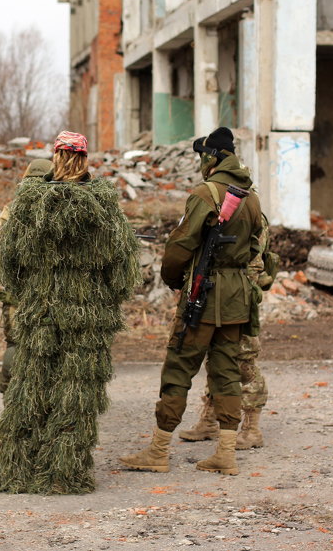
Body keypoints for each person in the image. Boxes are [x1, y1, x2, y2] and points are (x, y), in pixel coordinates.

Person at [0, 131, 141, 494]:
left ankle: (14, 472)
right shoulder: (104, 206)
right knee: (78, 393)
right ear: (86, 159)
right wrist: (104, 303)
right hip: (89, 318)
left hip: (40, 313)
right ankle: (63, 475)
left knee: (30, 388)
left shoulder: (29, 203)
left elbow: (9, 266)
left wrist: (31, 297)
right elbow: (124, 270)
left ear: (55, 157)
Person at [120, 127, 262, 476]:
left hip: (205, 293)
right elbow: (259, 246)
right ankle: (225, 454)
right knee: (227, 372)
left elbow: (179, 246)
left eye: (203, 155)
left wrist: (173, 280)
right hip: (237, 296)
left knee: (179, 368)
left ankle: (158, 451)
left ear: (212, 158)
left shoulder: (205, 194)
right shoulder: (252, 197)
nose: (201, 161)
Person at [179, 214, 277, 449]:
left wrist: (239, 298)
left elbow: (254, 263)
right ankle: (210, 419)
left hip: (238, 297)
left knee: (244, 360)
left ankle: (252, 428)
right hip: (215, 294)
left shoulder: (250, 212)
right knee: (215, 356)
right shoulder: (216, 206)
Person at [0, 158, 54, 395]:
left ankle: (10, 397)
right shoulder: (57, 207)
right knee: (46, 348)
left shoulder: (11, 209)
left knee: (14, 345)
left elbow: (2, 249)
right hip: (47, 293)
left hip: (15, 292)